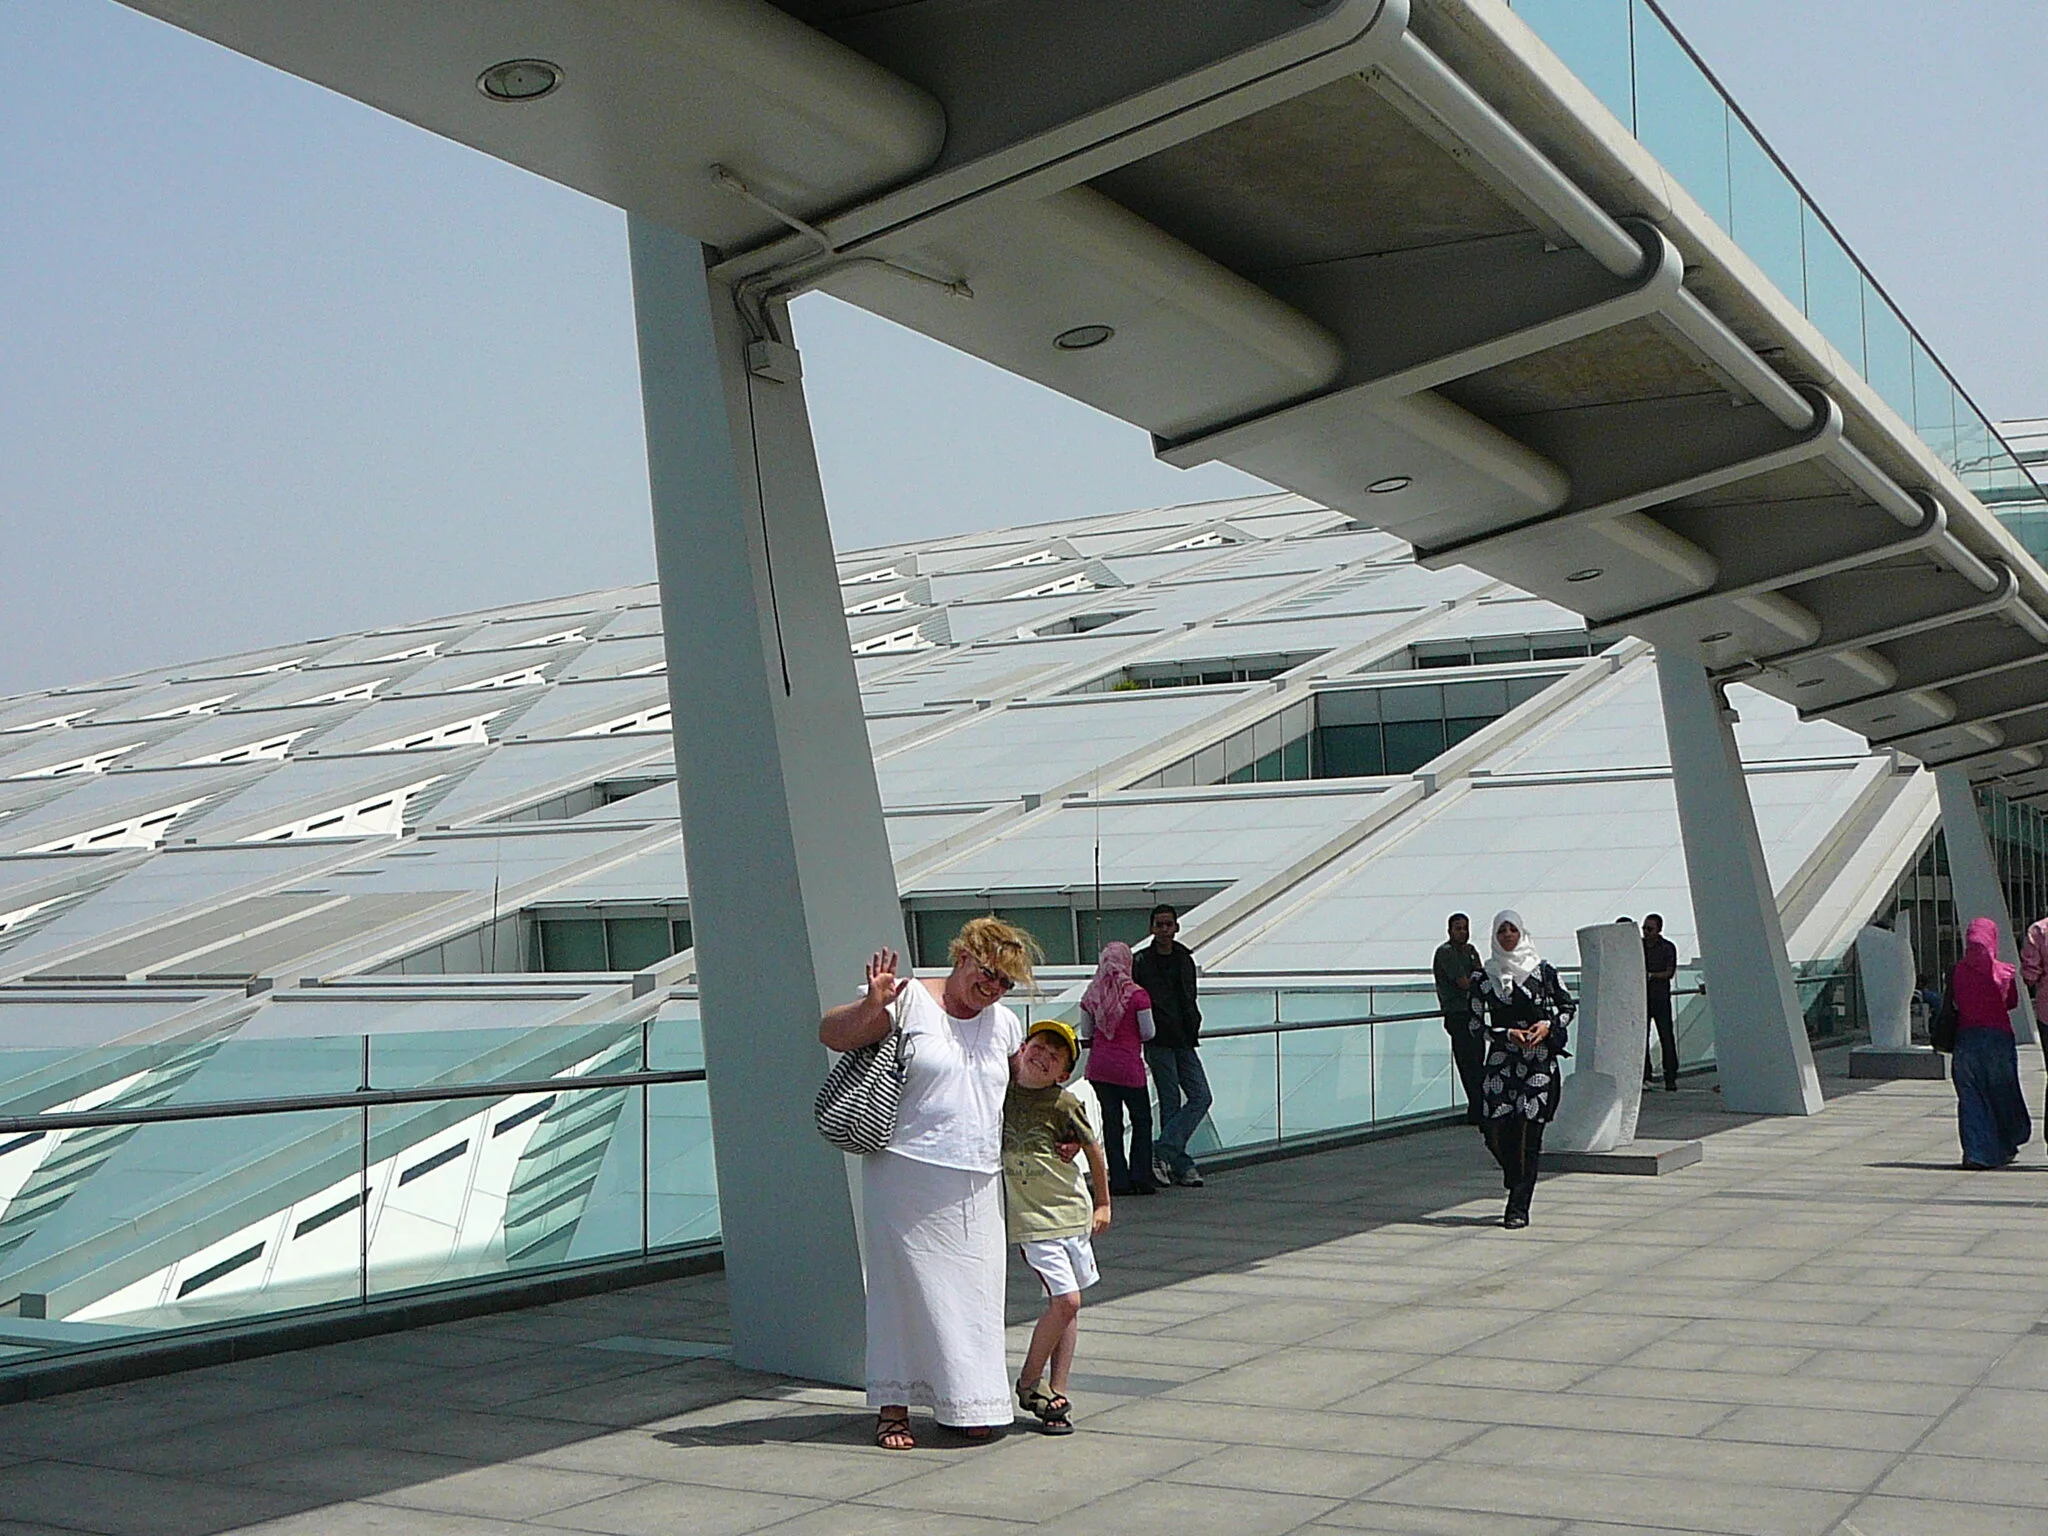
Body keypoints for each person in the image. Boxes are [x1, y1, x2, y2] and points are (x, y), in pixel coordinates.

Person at [818, 917, 1036, 1450]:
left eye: (1006, 983)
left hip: (978, 1179)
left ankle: (967, 1401)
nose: (994, 989)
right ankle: (893, 1408)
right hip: (906, 1175)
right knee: (901, 1297)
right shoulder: (909, 1000)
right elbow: (831, 1034)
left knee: (974, 1298)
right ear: (963, 956)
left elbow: (1023, 1084)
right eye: (989, 974)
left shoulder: (1004, 1023)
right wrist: (872, 1004)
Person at [1003, 1019, 1112, 1435]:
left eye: (1055, 1056)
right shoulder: (1001, 1093)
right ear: (1022, 1048)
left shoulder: (1064, 1103)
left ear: (1064, 1072)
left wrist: (1103, 1203)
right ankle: (1030, 1383)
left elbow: (1093, 1149)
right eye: (1038, 1046)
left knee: (1068, 1308)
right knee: (1066, 1301)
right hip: (1033, 1221)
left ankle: (1056, 1391)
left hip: (1070, 1213)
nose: (1043, 1057)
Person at [1476, 910, 1574, 1229]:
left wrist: (1547, 1026)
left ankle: (1518, 1206)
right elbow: (1474, 1023)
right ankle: (1513, 1173)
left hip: (1538, 1062)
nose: (1507, 935)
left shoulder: (1543, 971)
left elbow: (1567, 1006)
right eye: (1501, 930)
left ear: (1522, 933)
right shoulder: (1485, 978)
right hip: (1503, 1063)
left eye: (1512, 930)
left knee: (1530, 1133)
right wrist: (1505, 1034)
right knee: (1496, 1130)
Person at [1135, 904, 1211, 1187]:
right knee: (1170, 1101)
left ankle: (1163, 1152)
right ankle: (1179, 1165)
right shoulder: (1141, 961)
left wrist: (1193, 1026)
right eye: (1159, 925)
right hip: (1158, 1040)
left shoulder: (1183, 958)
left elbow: (1188, 997)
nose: (1165, 930)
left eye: (1169, 924)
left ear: (1176, 927)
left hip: (1184, 1039)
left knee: (1200, 1095)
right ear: (1152, 928)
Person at [1948, 916, 2033, 1170]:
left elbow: (1954, 1004)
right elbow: (2012, 1003)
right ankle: (2007, 1141)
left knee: (1971, 1097)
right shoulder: (2005, 972)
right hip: (1998, 1039)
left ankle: (1977, 1152)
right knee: (2002, 1092)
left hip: (1966, 1040)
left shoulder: (1956, 971)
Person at [1078, 942, 1158, 1194]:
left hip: (1100, 1068)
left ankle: (1119, 1180)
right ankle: (1141, 1177)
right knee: (1142, 1120)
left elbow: (1087, 1032)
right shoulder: (1138, 995)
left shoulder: (1091, 995)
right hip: (1128, 1067)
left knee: (1111, 1123)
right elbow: (1149, 1032)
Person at [1433, 912, 1485, 1124]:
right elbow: (1465, 981)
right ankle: (1477, 1109)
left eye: (1465, 928)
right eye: (1458, 928)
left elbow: (1481, 977)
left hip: (1474, 1012)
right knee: (1468, 1062)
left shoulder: (1470, 951)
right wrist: (1475, 980)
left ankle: (1479, 1106)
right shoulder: (1446, 953)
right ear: (1450, 931)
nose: (1463, 932)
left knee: (1478, 1059)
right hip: (1457, 1013)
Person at [1641, 913, 1679, 1092]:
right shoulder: (1639, 947)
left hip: (1661, 998)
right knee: (1643, 1039)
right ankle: (1645, 1075)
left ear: (1658, 930)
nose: (1646, 933)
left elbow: (1669, 972)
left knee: (1666, 1037)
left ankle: (1670, 1075)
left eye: (1650, 929)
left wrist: (1651, 976)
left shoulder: (1667, 948)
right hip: (1644, 999)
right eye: (1644, 929)